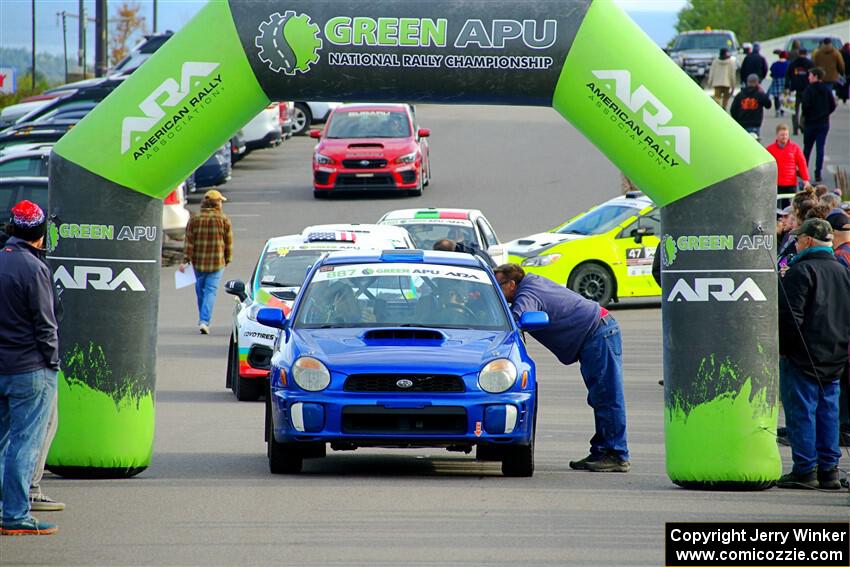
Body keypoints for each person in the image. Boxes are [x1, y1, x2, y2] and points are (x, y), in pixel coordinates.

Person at [493, 264, 630, 472]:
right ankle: (602, 451)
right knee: (600, 396)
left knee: (607, 395)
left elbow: (516, 321)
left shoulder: (527, 294)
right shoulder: (531, 281)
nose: (495, 291)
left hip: (598, 332)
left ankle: (617, 454)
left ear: (511, 284)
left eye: (497, 286)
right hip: (598, 330)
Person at [776, 218, 850, 490]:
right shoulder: (842, 269)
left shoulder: (801, 271)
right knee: (828, 412)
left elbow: (790, 317)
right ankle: (829, 469)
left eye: (797, 239)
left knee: (803, 412)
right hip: (835, 351)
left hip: (804, 354)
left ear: (807, 240)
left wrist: (784, 349)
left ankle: (806, 469)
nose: (795, 243)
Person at [0, 201, 59, 535]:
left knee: (2, 441)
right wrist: (53, 362)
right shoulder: (34, 268)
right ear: (39, 235)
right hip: (29, 368)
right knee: (25, 444)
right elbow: (46, 324)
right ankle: (16, 515)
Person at [180, 189, 233, 334]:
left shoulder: (195, 219)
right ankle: (205, 321)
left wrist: (186, 260)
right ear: (217, 203)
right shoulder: (223, 220)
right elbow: (228, 242)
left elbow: (189, 242)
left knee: (200, 291)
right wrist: (227, 258)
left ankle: (202, 318)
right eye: (220, 201)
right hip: (217, 262)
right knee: (211, 292)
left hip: (198, 262)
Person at [801, 67, 837, 183]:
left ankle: (804, 172)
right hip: (823, 123)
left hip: (811, 123)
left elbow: (805, 106)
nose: (808, 77)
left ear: (816, 76)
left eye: (810, 75)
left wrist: (806, 116)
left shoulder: (809, 90)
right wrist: (825, 113)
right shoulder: (826, 89)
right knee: (820, 148)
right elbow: (833, 104)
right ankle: (818, 173)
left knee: (807, 148)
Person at [765, 123, 810, 193]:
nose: (784, 137)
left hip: (791, 184)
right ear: (777, 135)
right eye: (782, 135)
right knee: (778, 204)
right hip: (776, 184)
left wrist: (806, 180)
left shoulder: (795, 148)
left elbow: (802, 164)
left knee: (790, 204)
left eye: (786, 135)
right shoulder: (770, 149)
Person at [730, 74, 772, 139]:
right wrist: (763, 93)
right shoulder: (760, 94)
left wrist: (737, 120)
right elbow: (768, 105)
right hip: (755, 123)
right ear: (757, 82)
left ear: (747, 82)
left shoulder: (740, 95)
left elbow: (733, 109)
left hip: (742, 123)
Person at [785, 48, 814, 135]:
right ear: (806, 53)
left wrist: (787, 87)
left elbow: (788, 75)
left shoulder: (793, 63)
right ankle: (803, 124)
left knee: (794, 110)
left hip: (794, 89)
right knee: (806, 109)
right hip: (807, 89)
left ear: (798, 53)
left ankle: (795, 128)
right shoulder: (810, 63)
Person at [768, 51, 789, 115]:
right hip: (785, 81)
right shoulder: (788, 64)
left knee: (776, 96)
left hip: (776, 80)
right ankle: (782, 110)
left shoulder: (774, 64)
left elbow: (771, 72)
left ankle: (777, 109)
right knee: (784, 96)